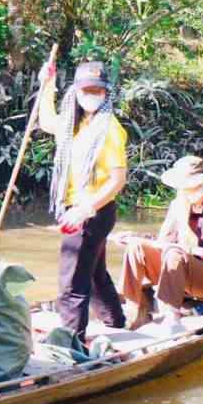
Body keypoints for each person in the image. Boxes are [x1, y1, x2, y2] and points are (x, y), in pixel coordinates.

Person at [37, 59, 128, 338]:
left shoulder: (108, 129)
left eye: (97, 91)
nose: (91, 95)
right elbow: (46, 121)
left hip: (93, 211)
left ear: (105, 93)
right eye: (86, 89)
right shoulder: (74, 123)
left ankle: (71, 340)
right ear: (75, 91)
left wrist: (84, 209)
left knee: (72, 280)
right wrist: (47, 85)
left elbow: (117, 180)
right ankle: (115, 321)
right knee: (94, 272)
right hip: (75, 207)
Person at [118, 155, 203, 330]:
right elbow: (165, 241)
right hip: (174, 270)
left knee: (174, 253)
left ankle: (172, 318)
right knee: (136, 247)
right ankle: (135, 310)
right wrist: (135, 236)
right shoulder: (179, 204)